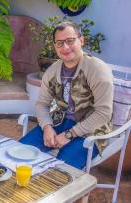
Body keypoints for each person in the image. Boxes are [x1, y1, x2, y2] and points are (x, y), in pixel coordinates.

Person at [19, 21, 113, 169]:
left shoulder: (97, 70)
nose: (65, 47)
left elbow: (104, 113)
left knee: (61, 170)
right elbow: (42, 104)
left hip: (91, 130)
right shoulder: (52, 72)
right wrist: (47, 127)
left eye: (70, 41)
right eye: (60, 43)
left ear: (81, 40)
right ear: (55, 46)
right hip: (58, 122)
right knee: (19, 153)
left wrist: (69, 134)